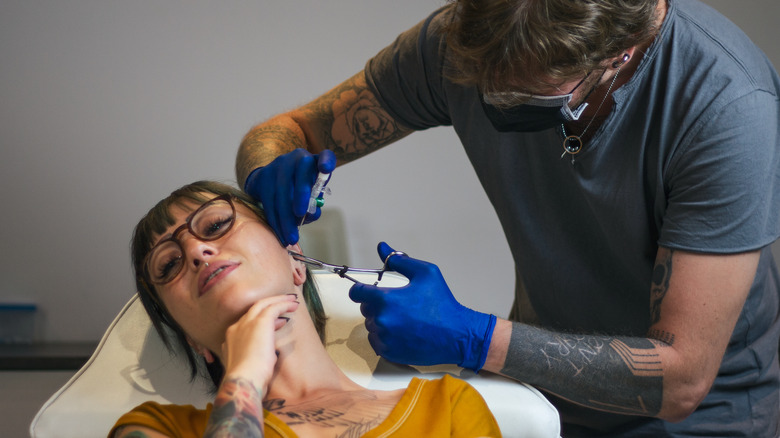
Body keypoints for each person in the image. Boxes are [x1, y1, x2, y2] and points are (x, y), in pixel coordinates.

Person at [235, 0, 780, 436]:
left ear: (616, 55)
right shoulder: (462, 41)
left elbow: (681, 380)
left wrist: (474, 339)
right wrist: (268, 166)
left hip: (701, 415)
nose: (492, 100)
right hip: (537, 392)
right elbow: (289, 131)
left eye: (522, 98)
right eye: (482, 85)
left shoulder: (728, 108)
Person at [109, 181, 501, 437]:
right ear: (191, 340)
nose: (196, 251)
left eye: (214, 226)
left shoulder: (448, 408)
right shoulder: (154, 429)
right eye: (169, 264)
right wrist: (244, 376)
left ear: (295, 257)